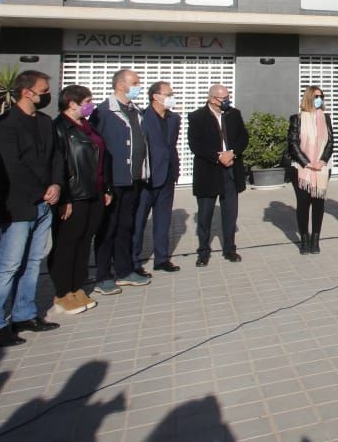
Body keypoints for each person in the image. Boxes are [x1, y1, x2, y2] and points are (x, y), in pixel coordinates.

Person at [0, 70, 65, 348]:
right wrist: (39, 190)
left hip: (45, 202)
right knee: (8, 266)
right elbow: (11, 167)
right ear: (27, 92)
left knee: (32, 262)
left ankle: (24, 313)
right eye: (43, 90)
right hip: (18, 205)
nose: (46, 95)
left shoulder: (44, 122)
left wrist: (55, 184)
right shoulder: (6, 125)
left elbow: (55, 155)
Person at [89, 68, 152, 294]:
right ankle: (103, 275)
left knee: (126, 226)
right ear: (120, 85)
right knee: (108, 228)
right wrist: (102, 183)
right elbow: (94, 147)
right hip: (113, 181)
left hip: (134, 179)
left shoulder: (136, 111)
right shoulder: (104, 111)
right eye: (135, 82)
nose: (139, 86)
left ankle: (124, 271)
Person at [51, 85, 108, 316]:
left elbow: (100, 159)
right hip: (74, 195)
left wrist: (105, 188)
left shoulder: (87, 127)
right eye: (87, 100)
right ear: (72, 103)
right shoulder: (59, 128)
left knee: (85, 242)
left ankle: (77, 287)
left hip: (93, 193)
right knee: (67, 243)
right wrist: (65, 197)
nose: (91, 104)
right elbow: (59, 165)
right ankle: (63, 293)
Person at [188, 84, 248, 266]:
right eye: (223, 98)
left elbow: (243, 138)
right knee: (205, 215)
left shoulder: (233, 114)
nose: (227, 101)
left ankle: (229, 249)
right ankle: (203, 252)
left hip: (231, 169)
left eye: (228, 97)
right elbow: (195, 145)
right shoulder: (197, 117)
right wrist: (218, 157)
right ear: (212, 99)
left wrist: (232, 153)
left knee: (230, 213)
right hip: (209, 171)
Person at [134, 81, 181, 273]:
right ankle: (133, 261)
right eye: (168, 94)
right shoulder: (142, 117)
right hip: (147, 177)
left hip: (167, 176)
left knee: (163, 220)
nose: (172, 96)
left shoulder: (174, 118)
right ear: (156, 96)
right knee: (138, 222)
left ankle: (161, 259)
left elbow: (170, 146)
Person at [287, 86, 335, 255]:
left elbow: (330, 142)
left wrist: (322, 161)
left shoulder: (326, 118)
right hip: (302, 168)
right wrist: (307, 162)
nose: (319, 99)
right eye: (316, 96)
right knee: (303, 204)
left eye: (321, 96)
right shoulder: (297, 118)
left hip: (322, 168)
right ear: (308, 98)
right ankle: (304, 239)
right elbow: (292, 143)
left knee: (318, 204)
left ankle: (315, 239)